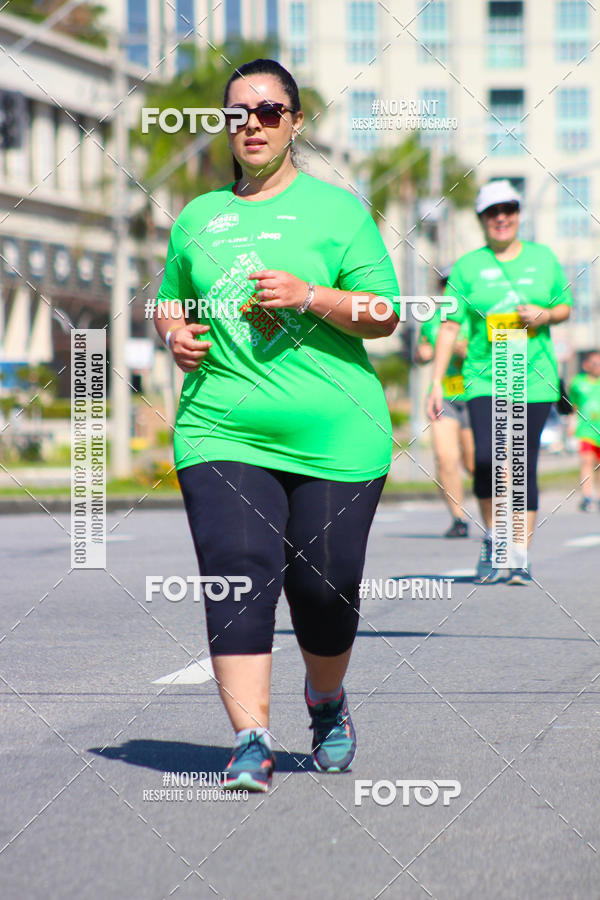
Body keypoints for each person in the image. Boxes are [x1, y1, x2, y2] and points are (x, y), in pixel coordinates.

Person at [153, 58, 400, 791]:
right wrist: (175, 334)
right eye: (238, 113)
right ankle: (251, 738)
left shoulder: (338, 211)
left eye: (268, 111)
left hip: (336, 436)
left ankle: (324, 701)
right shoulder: (199, 217)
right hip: (220, 430)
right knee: (237, 574)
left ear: (295, 122)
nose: (252, 125)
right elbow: (172, 298)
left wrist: (309, 295)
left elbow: (385, 315)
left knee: (325, 591)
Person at [427, 180, 572, 585]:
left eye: (508, 209)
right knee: (489, 460)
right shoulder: (469, 267)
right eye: (493, 212)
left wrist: (544, 315)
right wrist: (436, 381)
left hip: (534, 379)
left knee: (522, 465)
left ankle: (520, 555)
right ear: (481, 220)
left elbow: (564, 307)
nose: (501, 218)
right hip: (483, 379)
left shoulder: (544, 259)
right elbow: (449, 324)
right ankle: (494, 538)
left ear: (518, 214)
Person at [414, 271, 474, 537]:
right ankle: (458, 518)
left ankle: (502, 515)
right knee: (445, 458)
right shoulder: (432, 320)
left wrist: (467, 351)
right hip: (443, 396)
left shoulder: (476, 317)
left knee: (476, 463)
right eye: (444, 287)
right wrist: (422, 354)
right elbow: (421, 353)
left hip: (476, 396)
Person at [569, 350, 600, 511]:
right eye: (595, 363)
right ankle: (587, 496)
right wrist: (571, 423)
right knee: (587, 461)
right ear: (586, 365)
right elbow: (573, 405)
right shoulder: (578, 382)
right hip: (586, 430)